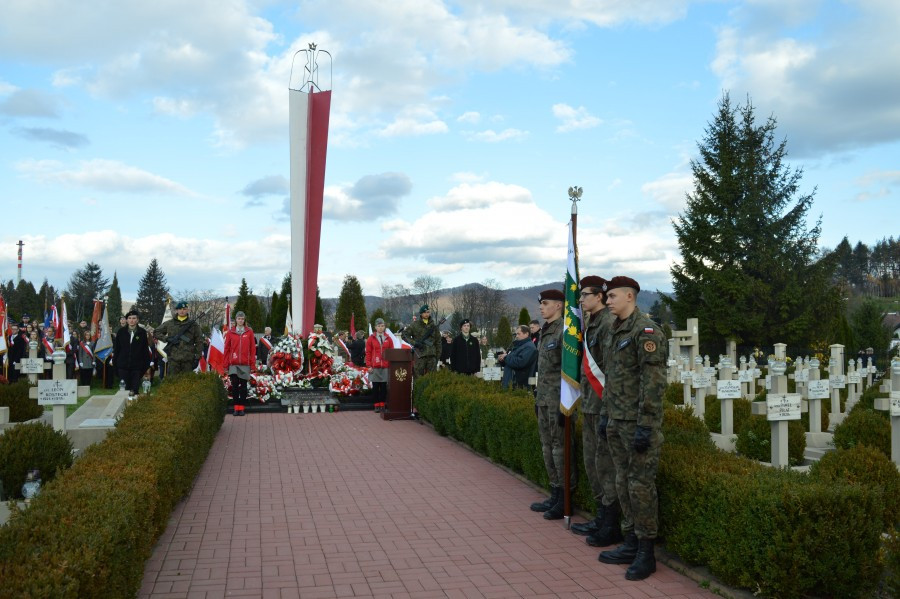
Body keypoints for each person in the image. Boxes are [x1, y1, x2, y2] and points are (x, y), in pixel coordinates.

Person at [597, 276, 668, 581]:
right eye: (606, 297)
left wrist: (647, 425)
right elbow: (611, 379)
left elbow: (653, 383)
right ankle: (630, 541)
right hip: (616, 419)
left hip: (638, 424)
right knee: (623, 482)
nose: (608, 301)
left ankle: (646, 552)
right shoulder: (615, 331)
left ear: (630, 295)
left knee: (640, 486)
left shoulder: (646, 331)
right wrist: (604, 415)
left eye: (612, 296)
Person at [570, 276, 622, 547]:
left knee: (604, 466)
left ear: (599, 296)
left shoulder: (607, 323)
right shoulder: (591, 322)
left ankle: (610, 524)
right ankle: (601, 516)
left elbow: (609, 369)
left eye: (585, 295)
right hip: (590, 404)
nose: (580, 300)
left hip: (602, 405)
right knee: (592, 464)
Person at [529, 288, 575, 520]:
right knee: (547, 447)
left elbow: (569, 370)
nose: (541, 307)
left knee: (560, 449)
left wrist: (564, 404)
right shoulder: (546, 330)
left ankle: (566, 497)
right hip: (545, 398)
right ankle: (555, 492)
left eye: (545, 303)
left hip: (560, 400)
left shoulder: (564, 332)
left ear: (559, 305)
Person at [151, 301, 203, 376]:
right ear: (177, 310)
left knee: (187, 382)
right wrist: (167, 339)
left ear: (188, 310)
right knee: (172, 382)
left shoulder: (194, 325)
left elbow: (199, 341)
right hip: (173, 359)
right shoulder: (170, 323)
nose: (182, 311)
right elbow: (156, 332)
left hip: (188, 359)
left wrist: (197, 358)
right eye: (180, 309)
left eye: (184, 309)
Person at [112, 310, 151, 397]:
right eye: (129, 318)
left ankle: (134, 409)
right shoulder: (121, 332)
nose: (131, 320)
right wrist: (115, 365)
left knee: (135, 391)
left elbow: (145, 350)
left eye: (134, 318)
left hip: (136, 367)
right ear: (126, 320)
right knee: (124, 391)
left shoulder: (142, 333)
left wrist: (145, 366)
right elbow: (117, 349)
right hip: (123, 366)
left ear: (137, 320)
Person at [224, 311, 256, 405]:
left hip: (245, 364)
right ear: (236, 320)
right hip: (233, 364)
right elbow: (226, 349)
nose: (241, 320)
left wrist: (252, 365)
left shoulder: (249, 332)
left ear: (244, 319)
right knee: (234, 386)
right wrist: (225, 365)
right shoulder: (230, 332)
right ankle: (236, 406)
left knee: (243, 386)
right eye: (239, 319)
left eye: (242, 319)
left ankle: (241, 407)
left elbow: (253, 349)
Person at [403, 305, 441, 378]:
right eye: (424, 312)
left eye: (428, 312)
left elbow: (438, 342)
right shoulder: (415, 325)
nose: (426, 314)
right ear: (421, 314)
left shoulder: (433, 326)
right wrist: (415, 343)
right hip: (420, 355)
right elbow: (404, 335)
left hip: (432, 356)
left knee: (432, 379)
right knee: (418, 379)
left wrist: (437, 357)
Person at [498, 325, 537, 389]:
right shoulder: (519, 345)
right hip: (511, 381)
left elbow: (520, 362)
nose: (516, 336)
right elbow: (510, 362)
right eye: (516, 334)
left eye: (519, 334)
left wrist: (506, 357)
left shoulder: (529, 347)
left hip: (519, 383)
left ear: (526, 334)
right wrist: (502, 360)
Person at [366, 318, 393, 410]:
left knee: (384, 387)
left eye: (382, 326)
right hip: (375, 366)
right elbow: (368, 352)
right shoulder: (371, 338)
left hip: (385, 366)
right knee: (376, 386)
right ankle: (376, 405)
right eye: (379, 326)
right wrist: (369, 365)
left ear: (384, 327)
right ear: (375, 327)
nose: (381, 328)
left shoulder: (388, 338)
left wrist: (390, 364)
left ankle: (382, 404)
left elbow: (391, 352)